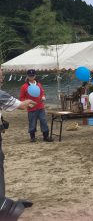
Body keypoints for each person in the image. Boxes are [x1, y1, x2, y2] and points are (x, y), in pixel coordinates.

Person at [1, 69, 36, 198]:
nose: (2, 79)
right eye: (1, 77)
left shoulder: (38, 85)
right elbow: (21, 105)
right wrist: (28, 102)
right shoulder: (2, 93)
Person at [19, 69, 53, 142]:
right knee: (32, 122)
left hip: (40, 106)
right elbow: (21, 98)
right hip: (31, 108)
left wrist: (43, 96)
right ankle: (32, 137)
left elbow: (42, 92)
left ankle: (46, 136)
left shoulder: (39, 84)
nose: (31, 77)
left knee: (43, 121)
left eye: (33, 76)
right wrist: (28, 103)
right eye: (30, 76)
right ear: (27, 76)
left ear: (35, 76)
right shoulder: (24, 86)